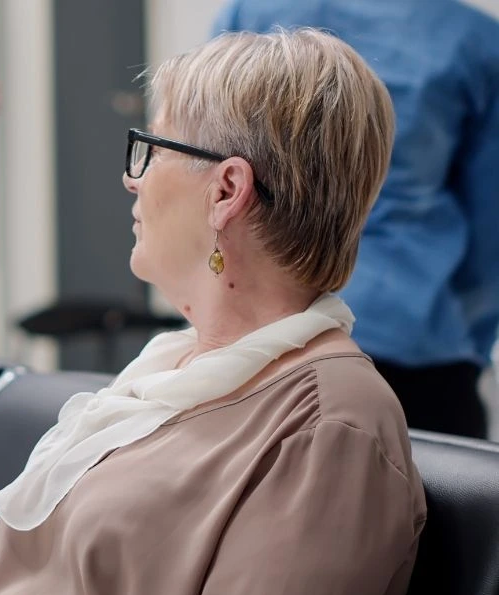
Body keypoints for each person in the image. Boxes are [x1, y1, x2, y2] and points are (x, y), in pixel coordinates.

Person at [0, 29, 425, 595]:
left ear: (226, 191)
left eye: (155, 150)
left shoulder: (329, 427)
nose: (131, 178)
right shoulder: (172, 365)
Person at [213, 0, 499, 440]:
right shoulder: (472, 39)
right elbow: (489, 233)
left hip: (252, 336)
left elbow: (206, 170)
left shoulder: (250, 13)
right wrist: (460, 337)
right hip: (410, 338)